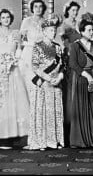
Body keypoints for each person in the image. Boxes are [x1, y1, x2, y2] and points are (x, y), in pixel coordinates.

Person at [68, 12, 93, 148]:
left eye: (92, 30)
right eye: (89, 30)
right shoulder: (75, 46)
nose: (92, 32)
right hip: (82, 80)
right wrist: (87, 75)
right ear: (81, 31)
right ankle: (82, 140)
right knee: (83, 108)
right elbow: (73, 64)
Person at [28, 15, 64, 150]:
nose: (53, 33)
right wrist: (48, 78)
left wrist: (59, 77)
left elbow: (63, 65)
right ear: (43, 31)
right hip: (43, 82)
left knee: (55, 112)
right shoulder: (38, 46)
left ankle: (55, 140)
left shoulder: (58, 47)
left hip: (56, 83)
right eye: (50, 30)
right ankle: (42, 141)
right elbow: (35, 66)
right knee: (43, 112)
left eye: (54, 30)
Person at [0, 9, 29, 147]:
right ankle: (2, 137)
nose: (5, 19)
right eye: (3, 17)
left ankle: (13, 136)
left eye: (7, 17)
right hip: (0, 71)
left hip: (12, 71)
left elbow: (19, 51)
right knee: (3, 103)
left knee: (14, 103)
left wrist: (13, 60)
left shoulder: (16, 33)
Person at [58, 0, 81, 146]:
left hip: (77, 56)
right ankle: (68, 120)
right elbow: (62, 42)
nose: (75, 13)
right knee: (69, 87)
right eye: (73, 10)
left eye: (76, 10)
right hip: (68, 56)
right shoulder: (64, 24)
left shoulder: (77, 24)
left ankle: (76, 120)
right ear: (68, 11)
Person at [19, 0, 46, 92]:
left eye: (40, 6)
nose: (38, 9)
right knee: (28, 77)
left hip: (42, 52)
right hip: (29, 52)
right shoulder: (27, 21)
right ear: (32, 8)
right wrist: (30, 44)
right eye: (35, 6)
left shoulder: (46, 21)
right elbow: (20, 40)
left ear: (43, 8)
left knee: (41, 79)